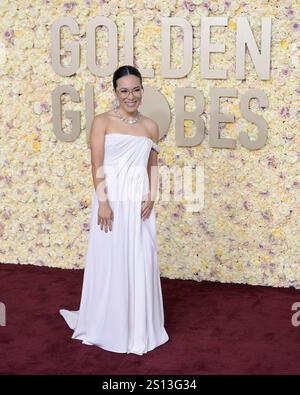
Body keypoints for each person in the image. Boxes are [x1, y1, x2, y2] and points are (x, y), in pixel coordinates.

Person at [59, 65, 169, 355]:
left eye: (135, 89)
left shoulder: (150, 126)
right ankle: (108, 324)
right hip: (111, 198)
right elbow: (97, 164)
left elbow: (152, 165)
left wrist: (152, 194)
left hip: (139, 201)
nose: (130, 96)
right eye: (124, 90)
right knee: (111, 258)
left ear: (142, 90)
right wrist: (103, 201)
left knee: (141, 258)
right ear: (115, 92)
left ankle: (139, 326)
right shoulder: (102, 121)